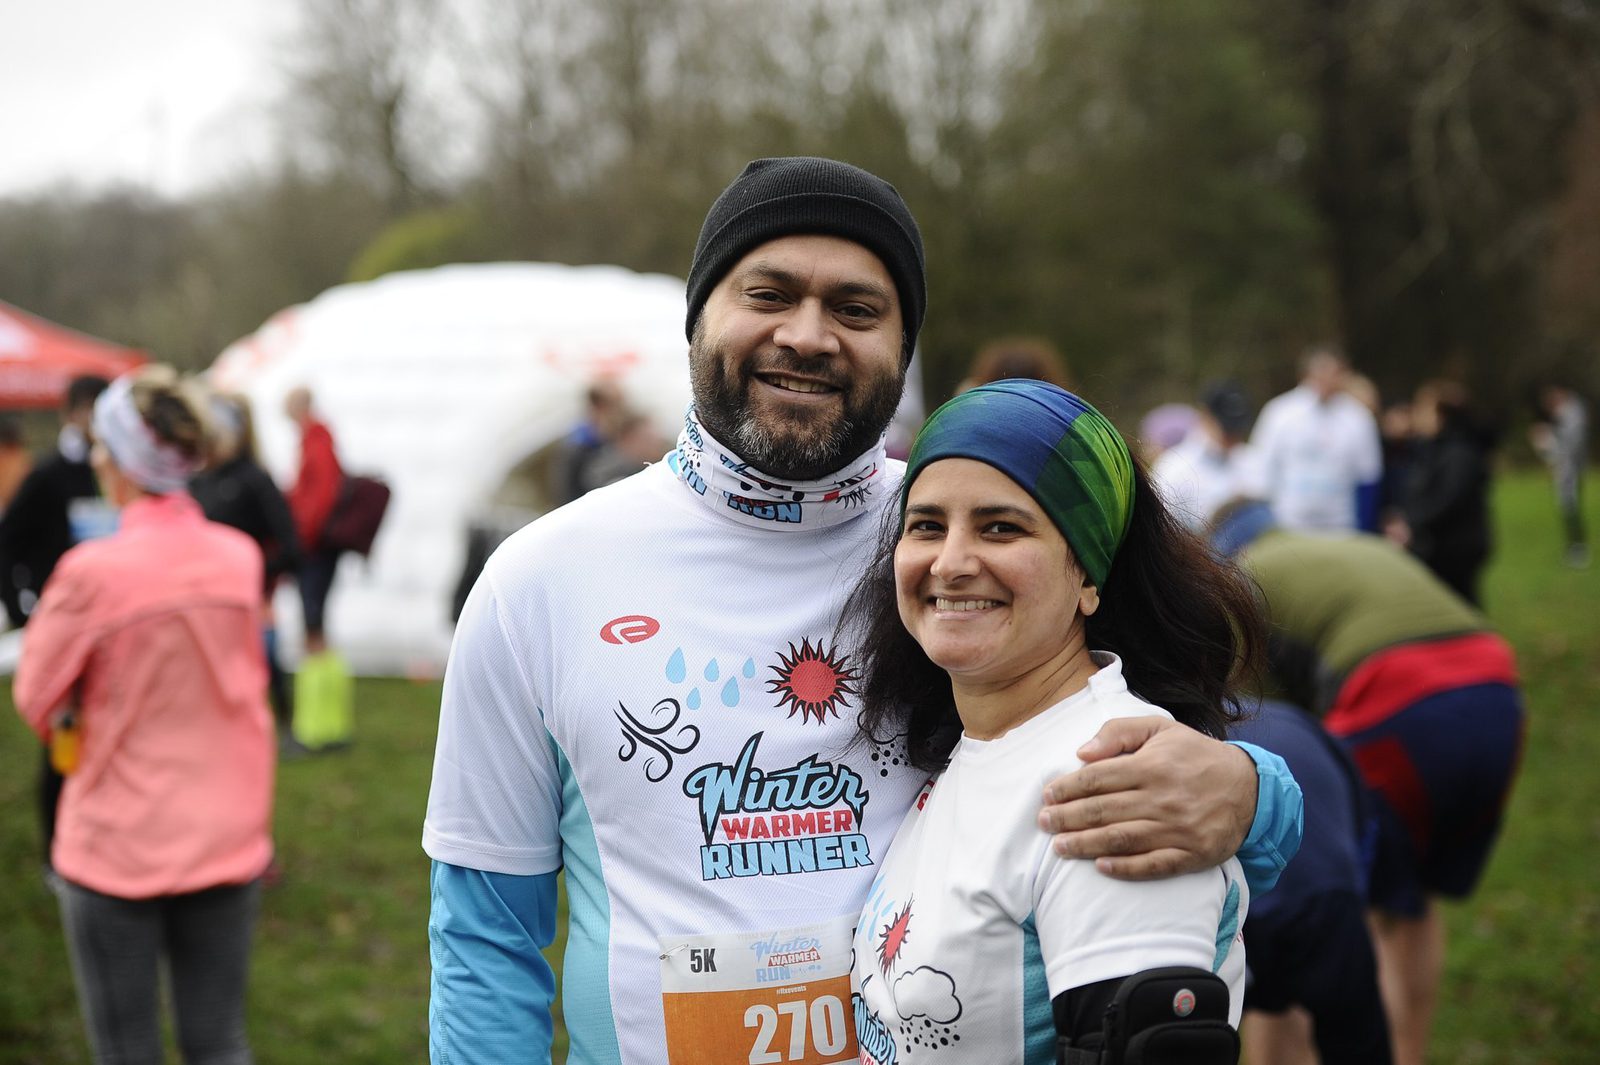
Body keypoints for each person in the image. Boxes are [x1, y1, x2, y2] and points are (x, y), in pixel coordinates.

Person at [423, 157, 1302, 1065]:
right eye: (768, 293)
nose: (808, 337)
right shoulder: (539, 580)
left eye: (856, 309)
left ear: (904, 346)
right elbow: (486, 936)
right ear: (697, 318)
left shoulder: (965, 548)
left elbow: (1141, 736)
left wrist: (1250, 795)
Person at [845, 380, 1259, 1060]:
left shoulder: (1116, 783)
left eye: (1000, 526)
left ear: (1089, 574)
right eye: (926, 525)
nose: (950, 562)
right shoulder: (967, 748)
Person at [13, 366, 276, 1065]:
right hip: (227, 831)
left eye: (104, 445)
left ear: (127, 461)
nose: (95, 457)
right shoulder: (237, 557)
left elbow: (36, 696)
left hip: (116, 843)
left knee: (128, 1049)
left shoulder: (92, 572)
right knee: (220, 1041)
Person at [1212, 501, 1523, 1065]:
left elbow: (1262, 732)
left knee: (1327, 907)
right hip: (1497, 685)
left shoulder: (1242, 578)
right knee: (1410, 902)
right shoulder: (1351, 544)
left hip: (1397, 702)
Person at [1231, 700, 1391, 1065]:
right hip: (1327, 894)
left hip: (1229, 903)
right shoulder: (1293, 716)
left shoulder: (1162, 715)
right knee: (1358, 1047)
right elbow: (1362, 821)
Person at [0, 374, 112, 874]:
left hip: (117, 630)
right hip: (67, 636)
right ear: (71, 413)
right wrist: (24, 609)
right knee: (62, 743)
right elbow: (7, 542)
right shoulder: (48, 475)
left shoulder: (117, 471)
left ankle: (102, 841)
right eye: (90, 409)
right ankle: (56, 855)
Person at [191, 392, 304, 741]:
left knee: (265, 664)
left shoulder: (255, 479)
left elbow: (291, 546)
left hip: (251, 599)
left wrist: (256, 574)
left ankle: (284, 728)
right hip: (204, 597)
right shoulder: (196, 481)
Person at [1250, 348, 1383, 533]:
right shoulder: (1280, 412)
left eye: (1333, 373)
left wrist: (1364, 528)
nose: (1327, 379)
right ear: (1307, 374)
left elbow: (1368, 477)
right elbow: (1260, 469)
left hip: (1341, 527)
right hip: (1289, 525)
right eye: (1321, 372)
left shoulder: (1358, 418)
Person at [1388, 381, 1493, 604]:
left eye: (1423, 409)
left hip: (1456, 550)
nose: (1417, 415)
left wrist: (1412, 523)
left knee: (1459, 605)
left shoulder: (1459, 453)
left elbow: (1447, 500)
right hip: (1437, 547)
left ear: (1442, 415)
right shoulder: (1430, 448)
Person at [1151, 380, 1264, 531]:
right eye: (1227, 429)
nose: (1232, 437)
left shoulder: (1253, 460)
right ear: (1206, 418)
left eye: (1237, 429)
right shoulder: (1174, 467)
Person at [1529, 383, 1589, 568]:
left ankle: (1578, 549)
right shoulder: (1571, 414)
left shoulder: (1571, 415)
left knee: (1571, 508)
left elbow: (1567, 448)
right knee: (1568, 509)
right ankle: (1574, 547)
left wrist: (1545, 441)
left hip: (1570, 470)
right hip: (1567, 469)